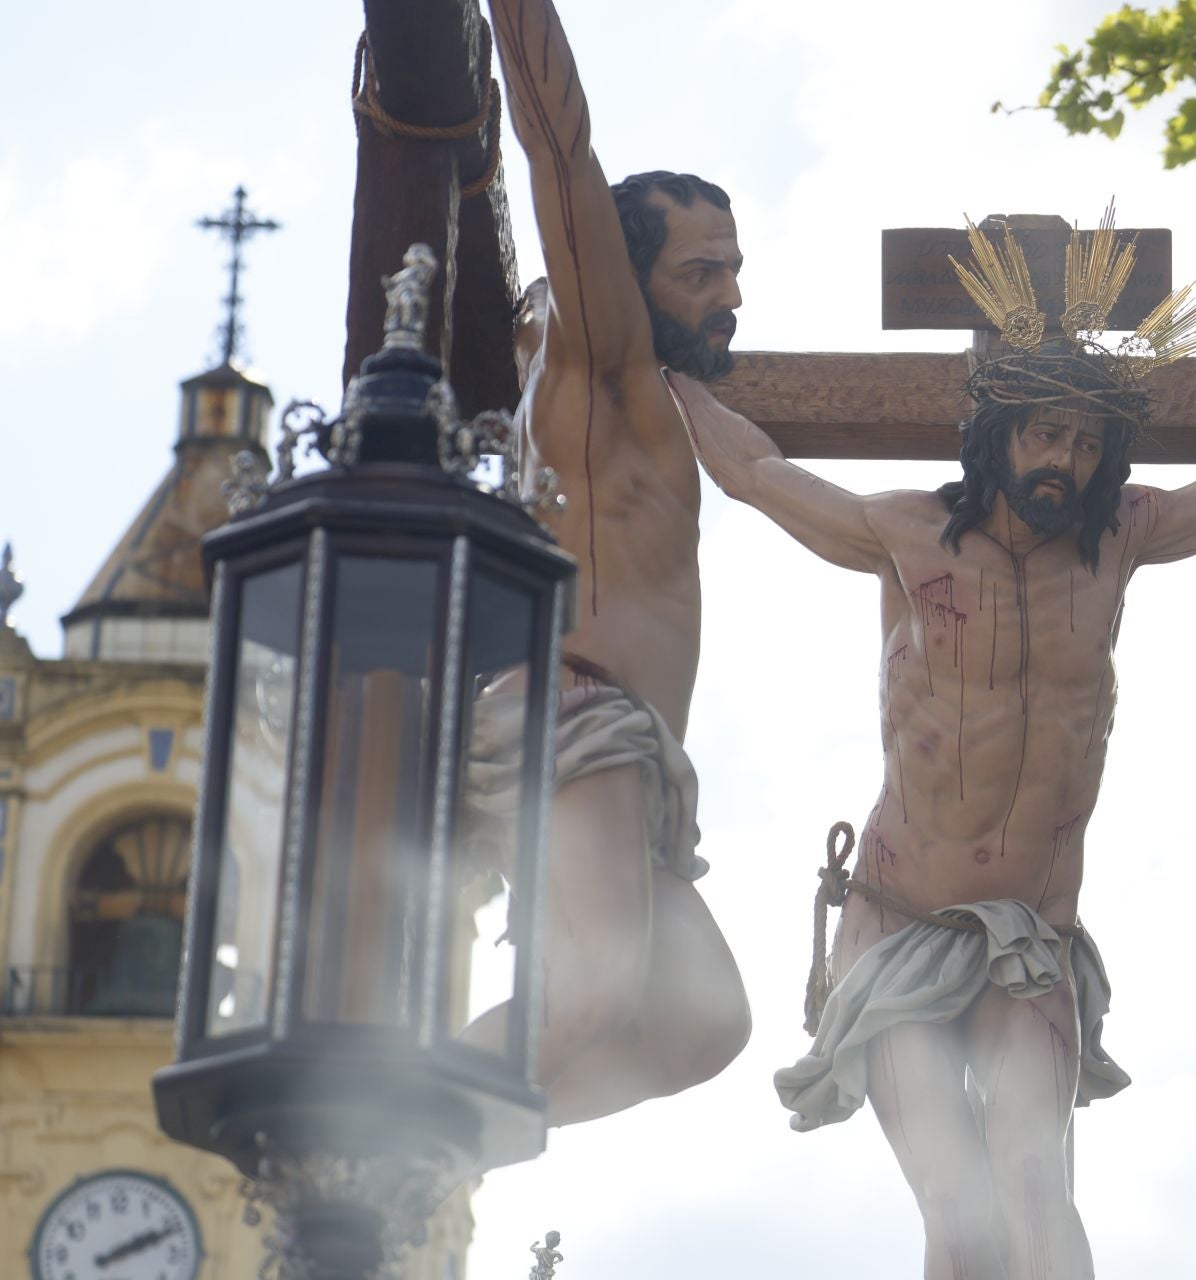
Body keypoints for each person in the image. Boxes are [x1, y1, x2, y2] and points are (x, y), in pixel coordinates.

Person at [666, 216, 1196, 1278]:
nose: (1063, 460)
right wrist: (664, 376)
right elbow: (755, 472)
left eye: (1083, 442)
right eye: (1043, 434)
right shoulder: (901, 534)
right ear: (999, 433)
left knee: (1034, 1183)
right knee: (957, 1198)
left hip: (1031, 934)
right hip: (900, 919)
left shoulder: (1120, 537)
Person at [465, 0, 750, 1125]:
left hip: (628, 749)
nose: (731, 295)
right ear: (623, 283)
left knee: (699, 1021)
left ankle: (458, 1139)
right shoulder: (604, 355)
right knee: (586, 992)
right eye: (704, 273)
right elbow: (559, 147)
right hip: (582, 710)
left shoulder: (616, 379)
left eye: (733, 269)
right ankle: (366, 1139)